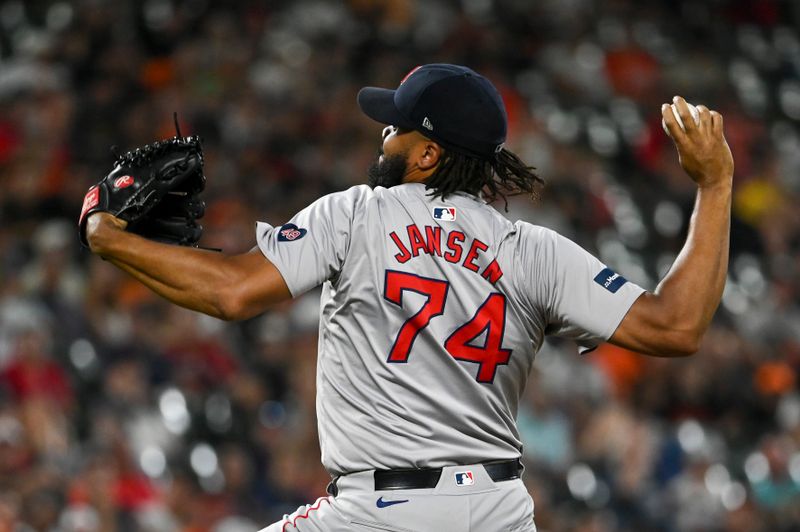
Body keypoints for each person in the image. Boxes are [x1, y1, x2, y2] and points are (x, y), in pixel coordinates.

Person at [84, 63, 734, 531]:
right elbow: (677, 327)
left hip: (381, 511)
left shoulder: (359, 213)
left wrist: (113, 242)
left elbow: (231, 294)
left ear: (425, 154)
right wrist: (715, 185)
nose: (382, 136)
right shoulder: (534, 251)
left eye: (393, 127)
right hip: (499, 510)